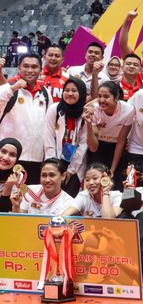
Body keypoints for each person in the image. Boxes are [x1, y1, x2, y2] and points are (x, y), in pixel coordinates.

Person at [0, 53, 50, 184]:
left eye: (34, 67)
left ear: (41, 69)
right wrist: (13, 88)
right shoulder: (9, 89)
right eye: (26, 66)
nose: (30, 70)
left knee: (27, 201)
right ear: (18, 68)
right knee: (5, 200)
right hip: (8, 158)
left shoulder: (45, 93)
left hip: (36, 159)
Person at [44, 77, 88, 197]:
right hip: (55, 160)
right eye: (66, 90)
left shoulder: (86, 113)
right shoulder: (55, 109)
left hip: (75, 166)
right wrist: (53, 167)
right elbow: (49, 139)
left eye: (74, 90)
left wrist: (70, 170)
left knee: (70, 200)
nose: (70, 93)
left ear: (82, 93)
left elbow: (83, 145)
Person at [84, 81, 135, 182]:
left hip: (116, 147)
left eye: (106, 96)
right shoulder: (93, 109)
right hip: (98, 145)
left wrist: (112, 170)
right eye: (99, 96)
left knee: (115, 181)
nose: (102, 100)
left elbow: (121, 141)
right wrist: (89, 125)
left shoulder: (128, 110)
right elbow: (93, 148)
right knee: (95, 179)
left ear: (116, 97)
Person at [0, 138, 23, 213]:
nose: (6, 158)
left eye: (12, 155)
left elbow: (4, 215)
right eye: (3, 151)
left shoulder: (18, 178)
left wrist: (8, 188)